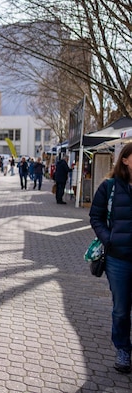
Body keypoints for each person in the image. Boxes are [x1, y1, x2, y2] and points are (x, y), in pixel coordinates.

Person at [89, 142, 132, 373]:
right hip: (118, 259)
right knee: (121, 309)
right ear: (125, 160)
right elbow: (95, 217)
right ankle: (123, 349)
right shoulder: (110, 186)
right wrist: (109, 239)